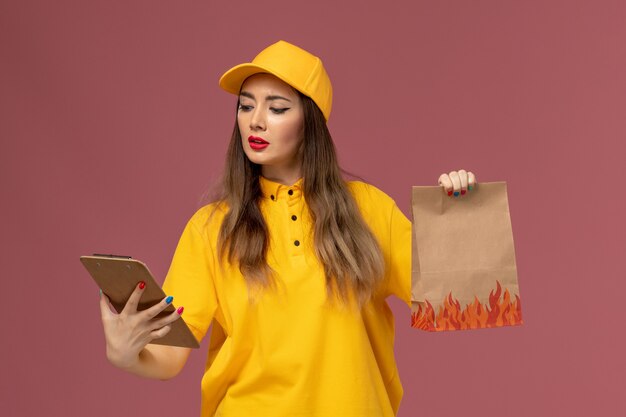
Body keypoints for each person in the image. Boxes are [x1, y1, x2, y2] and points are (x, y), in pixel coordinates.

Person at [98, 40, 477, 417]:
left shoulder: (370, 209)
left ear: (310, 122)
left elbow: (452, 299)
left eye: (277, 108)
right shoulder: (211, 228)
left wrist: (459, 214)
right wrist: (124, 352)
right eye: (245, 106)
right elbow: (168, 355)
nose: (256, 120)